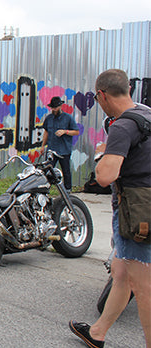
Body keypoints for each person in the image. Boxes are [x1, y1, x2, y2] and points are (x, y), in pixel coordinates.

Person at [69, 69, 151, 348]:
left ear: (101, 95)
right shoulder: (147, 114)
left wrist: (104, 154)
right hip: (145, 207)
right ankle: (98, 332)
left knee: (142, 288)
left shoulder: (122, 126)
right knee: (121, 275)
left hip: (136, 212)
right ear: (127, 88)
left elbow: (105, 176)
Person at [40, 96, 79, 191]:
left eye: (55, 107)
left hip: (64, 149)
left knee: (65, 171)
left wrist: (65, 132)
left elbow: (76, 132)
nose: (54, 109)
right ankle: (45, 188)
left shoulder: (68, 118)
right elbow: (46, 132)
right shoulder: (49, 118)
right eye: (52, 108)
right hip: (51, 148)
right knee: (48, 170)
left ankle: (68, 190)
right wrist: (42, 146)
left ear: (60, 106)